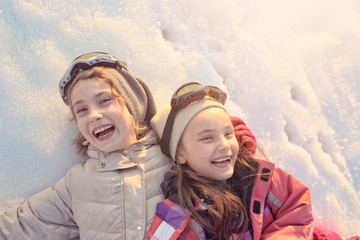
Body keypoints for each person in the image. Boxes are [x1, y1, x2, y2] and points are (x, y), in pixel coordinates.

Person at [0, 52, 173, 239]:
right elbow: (23, 225)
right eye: (82, 110)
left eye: (104, 101)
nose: (93, 115)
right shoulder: (77, 183)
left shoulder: (173, 159)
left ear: (133, 104)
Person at [147, 82, 314, 239]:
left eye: (228, 134)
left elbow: (296, 206)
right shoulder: (177, 215)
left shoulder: (256, 176)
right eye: (207, 138)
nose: (224, 145)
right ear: (180, 154)